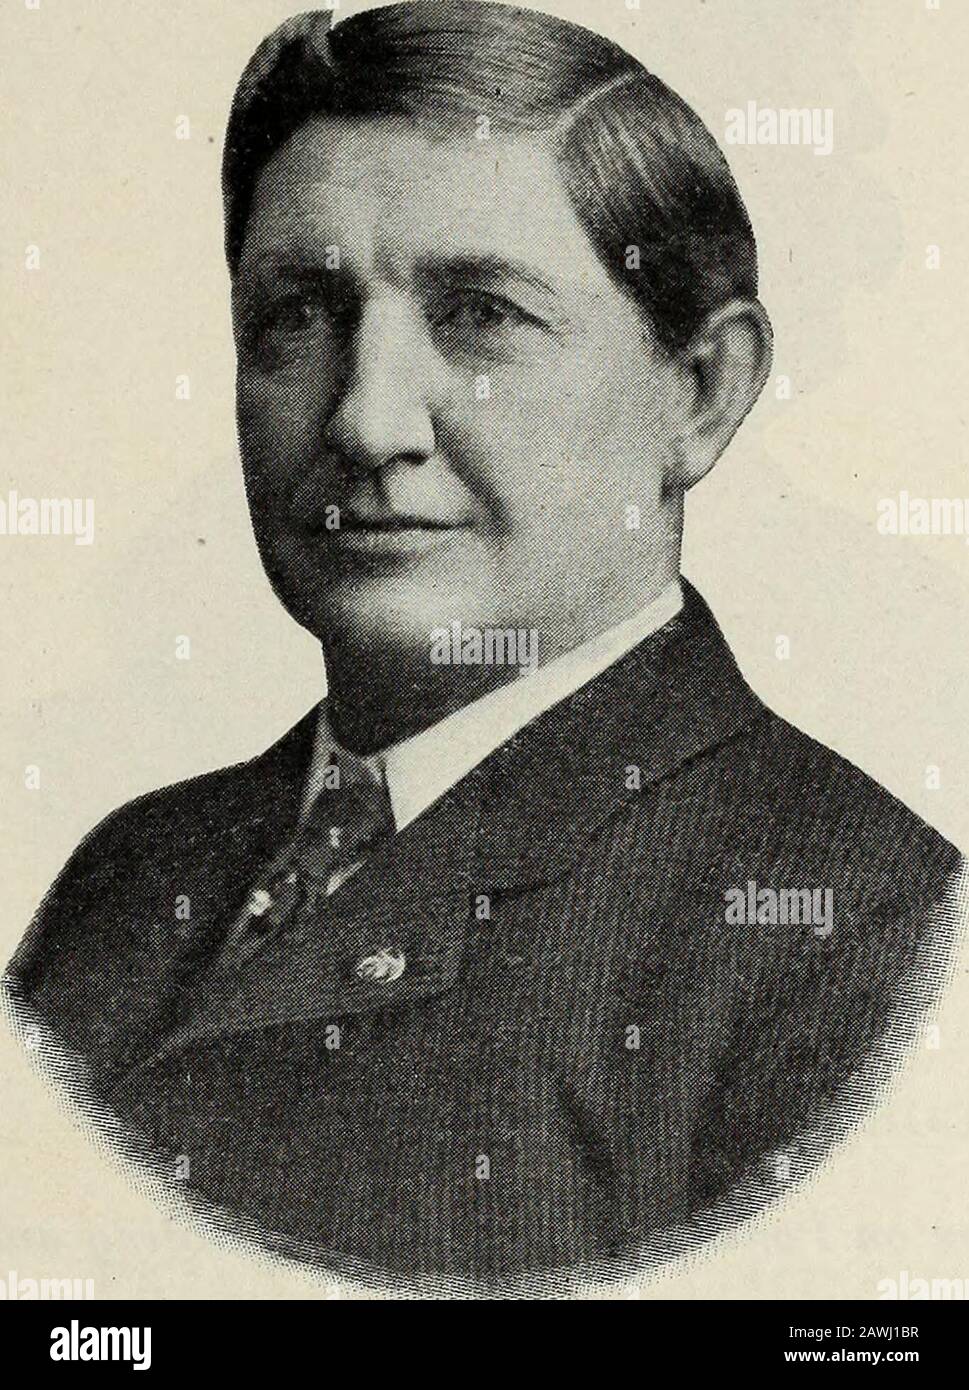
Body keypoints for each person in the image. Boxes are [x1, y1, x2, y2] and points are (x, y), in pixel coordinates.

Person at [5, 1, 962, 1289]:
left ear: (701, 392)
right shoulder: (132, 877)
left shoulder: (866, 938)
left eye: (480, 315)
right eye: (300, 313)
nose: (367, 422)